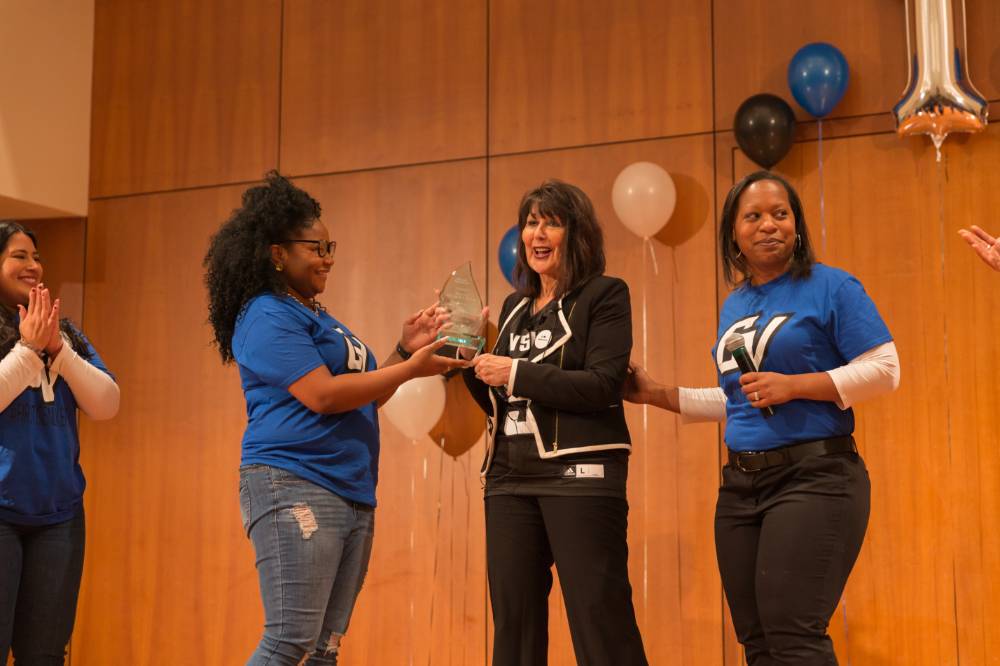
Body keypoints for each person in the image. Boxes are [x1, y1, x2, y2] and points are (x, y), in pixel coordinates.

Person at [625, 171, 899, 665]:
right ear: (734, 232)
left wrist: (797, 385)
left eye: (780, 213)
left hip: (816, 479)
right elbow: (741, 399)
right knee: (758, 642)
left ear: (797, 224)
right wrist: (657, 394)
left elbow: (885, 370)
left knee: (793, 635)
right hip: (741, 487)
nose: (768, 224)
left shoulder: (832, 286)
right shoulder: (736, 305)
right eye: (753, 216)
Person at [203, 172, 463, 666]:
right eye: (315, 247)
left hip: (350, 491)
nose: (328, 257)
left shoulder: (319, 317)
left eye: (330, 246)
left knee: (324, 649)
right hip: (294, 484)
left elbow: (358, 398)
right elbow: (322, 396)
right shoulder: (264, 314)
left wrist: (401, 351)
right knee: (289, 640)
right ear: (277, 253)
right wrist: (411, 368)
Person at [463, 180, 647, 666]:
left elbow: (603, 385)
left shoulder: (605, 296)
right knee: (514, 628)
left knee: (599, 619)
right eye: (530, 222)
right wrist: (468, 362)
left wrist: (516, 371)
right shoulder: (512, 309)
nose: (537, 233)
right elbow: (502, 403)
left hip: (580, 477)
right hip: (507, 480)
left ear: (577, 233)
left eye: (551, 221)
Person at [0, 221, 120, 664]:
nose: (33, 265)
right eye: (19, 256)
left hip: (60, 516)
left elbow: (107, 403)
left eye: (36, 256)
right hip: (1, 513)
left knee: (46, 654)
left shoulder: (64, 332)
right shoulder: (27, 339)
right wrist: (28, 350)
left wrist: (60, 351)